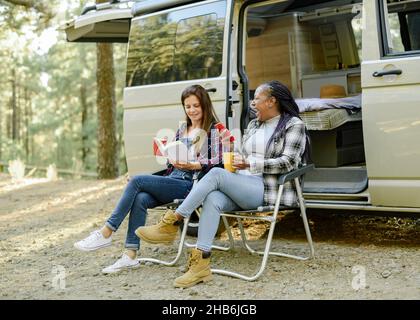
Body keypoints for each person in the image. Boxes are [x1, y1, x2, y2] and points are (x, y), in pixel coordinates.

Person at [135, 80, 311, 288]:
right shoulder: (255, 124)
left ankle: (172, 221)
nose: (253, 104)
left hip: (265, 189)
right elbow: (241, 156)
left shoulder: (293, 125)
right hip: (243, 183)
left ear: (272, 101)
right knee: (212, 197)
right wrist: (231, 149)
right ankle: (201, 265)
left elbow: (289, 161)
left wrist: (249, 163)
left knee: (216, 174)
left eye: (257, 99)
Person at [74, 84, 224, 274]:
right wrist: (172, 157)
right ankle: (129, 255)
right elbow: (174, 163)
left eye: (196, 105)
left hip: (191, 184)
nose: (192, 110)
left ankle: (107, 231)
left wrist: (195, 165)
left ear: (204, 105)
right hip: (174, 178)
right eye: (188, 106)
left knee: (136, 181)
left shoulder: (214, 130)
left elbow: (219, 162)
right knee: (140, 198)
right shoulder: (182, 129)